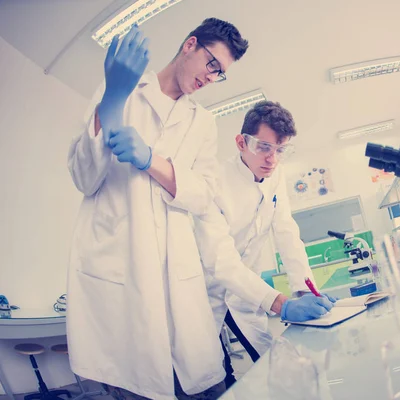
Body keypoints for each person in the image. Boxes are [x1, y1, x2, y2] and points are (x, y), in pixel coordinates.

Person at [67, 19, 249, 400]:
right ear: (190, 44)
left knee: (204, 384)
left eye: (221, 75)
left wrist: (153, 160)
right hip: (123, 283)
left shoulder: (203, 122)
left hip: (180, 288)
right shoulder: (123, 91)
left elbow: (203, 196)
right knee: (136, 386)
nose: (211, 77)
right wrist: (113, 98)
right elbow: (84, 177)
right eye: (212, 64)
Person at [195, 101, 336, 388]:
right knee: (213, 378)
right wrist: (281, 304)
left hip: (247, 292)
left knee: (272, 362)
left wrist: (305, 288)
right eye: (263, 147)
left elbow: (285, 229)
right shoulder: (213, 182)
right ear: (241, 142)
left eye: (280, 150)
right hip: (203, 291)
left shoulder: (275, 176)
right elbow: (221, 261)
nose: (272, 158)